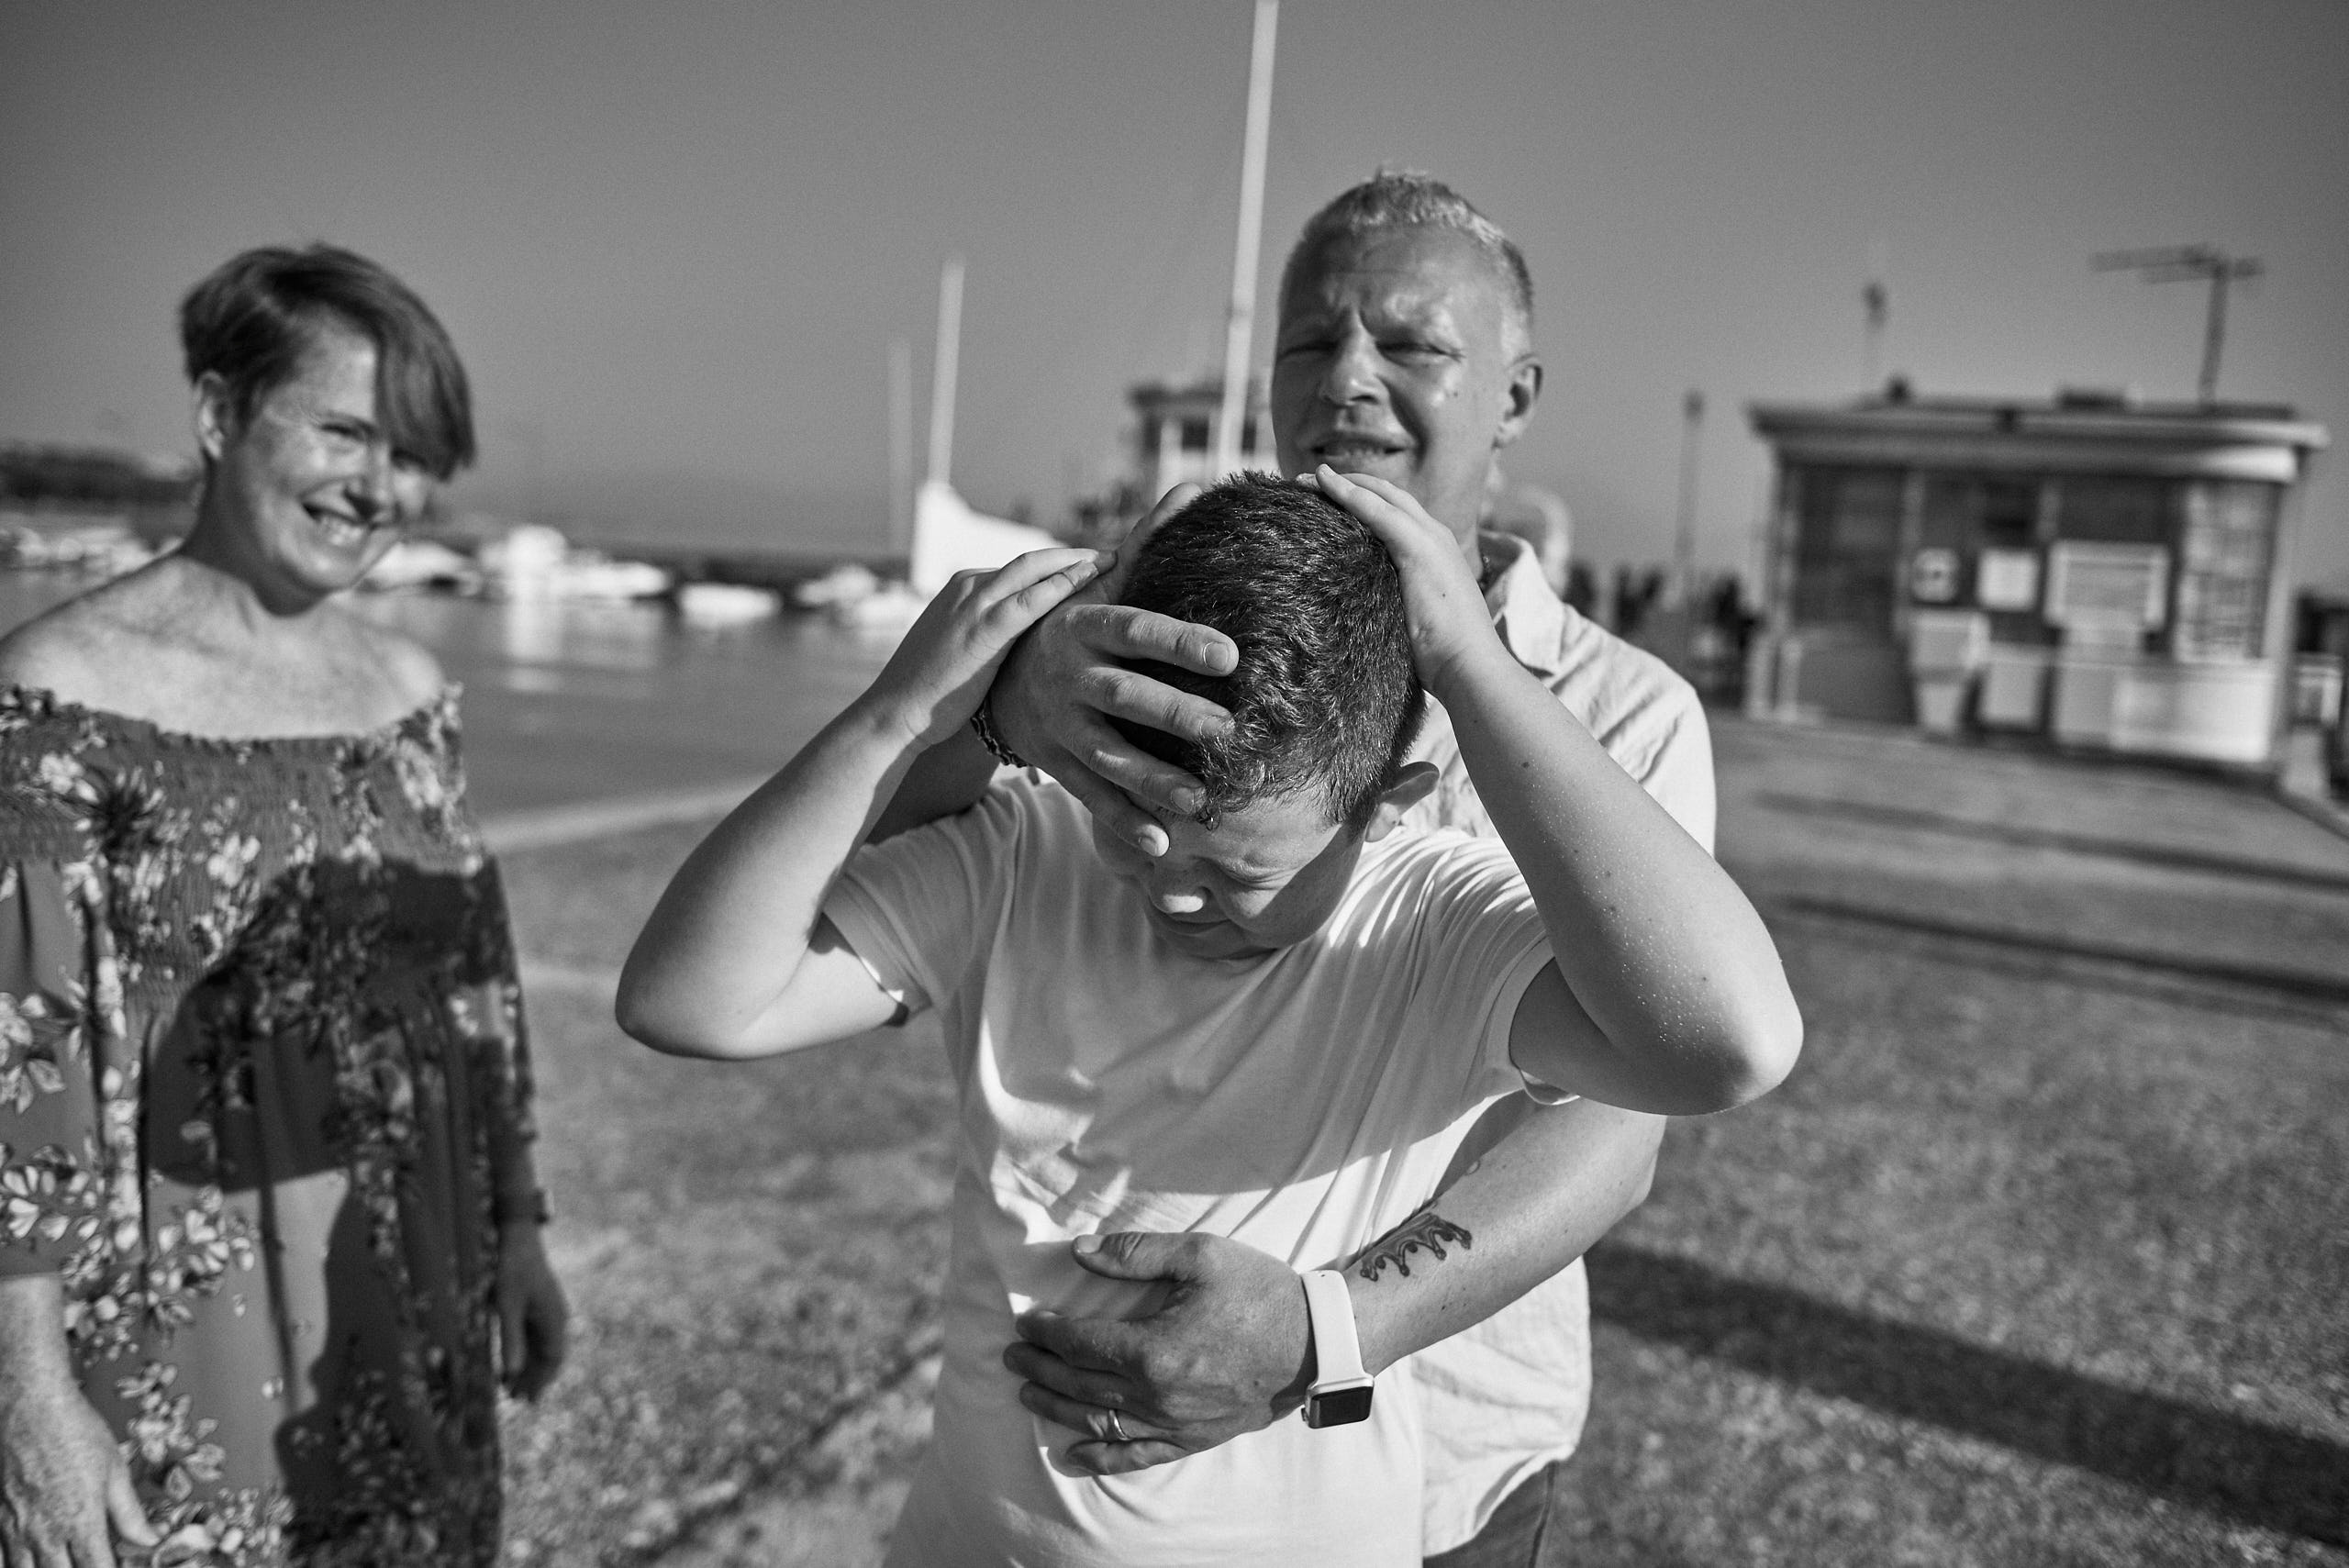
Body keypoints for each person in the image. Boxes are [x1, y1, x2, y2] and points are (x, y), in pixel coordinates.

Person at [617, 474, 1799, 1566]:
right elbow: (689, 1000)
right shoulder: (1026, 852)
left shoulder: (1432, 926)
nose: (1172, 891)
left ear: (1385, 800)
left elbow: (1730, 1043)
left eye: (1237, 871)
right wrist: (905, 716)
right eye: (1131, 825)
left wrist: (1470, 665)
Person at [881, 172, 1714, 1563]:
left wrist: (1322, 1333)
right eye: (1313, 345)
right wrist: (991, 709)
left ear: (1515, 394)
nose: (1353, 384)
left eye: (1414, 344)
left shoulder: (1619, 710)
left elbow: (1617, 1128)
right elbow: (907, 874)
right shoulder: (1135, 645)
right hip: (1102, 1441)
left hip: (1456, 1428)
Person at [0, 244, 567, 1568]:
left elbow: (478, 984)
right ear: (216, 414)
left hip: (406, 1282)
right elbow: (18, 1077)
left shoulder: (411, 685)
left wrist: (521, 1230)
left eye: (416, 454)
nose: (384, 487)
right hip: (171, 1330)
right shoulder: (57, 691)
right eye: (348, 433)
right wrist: (25, 1396)